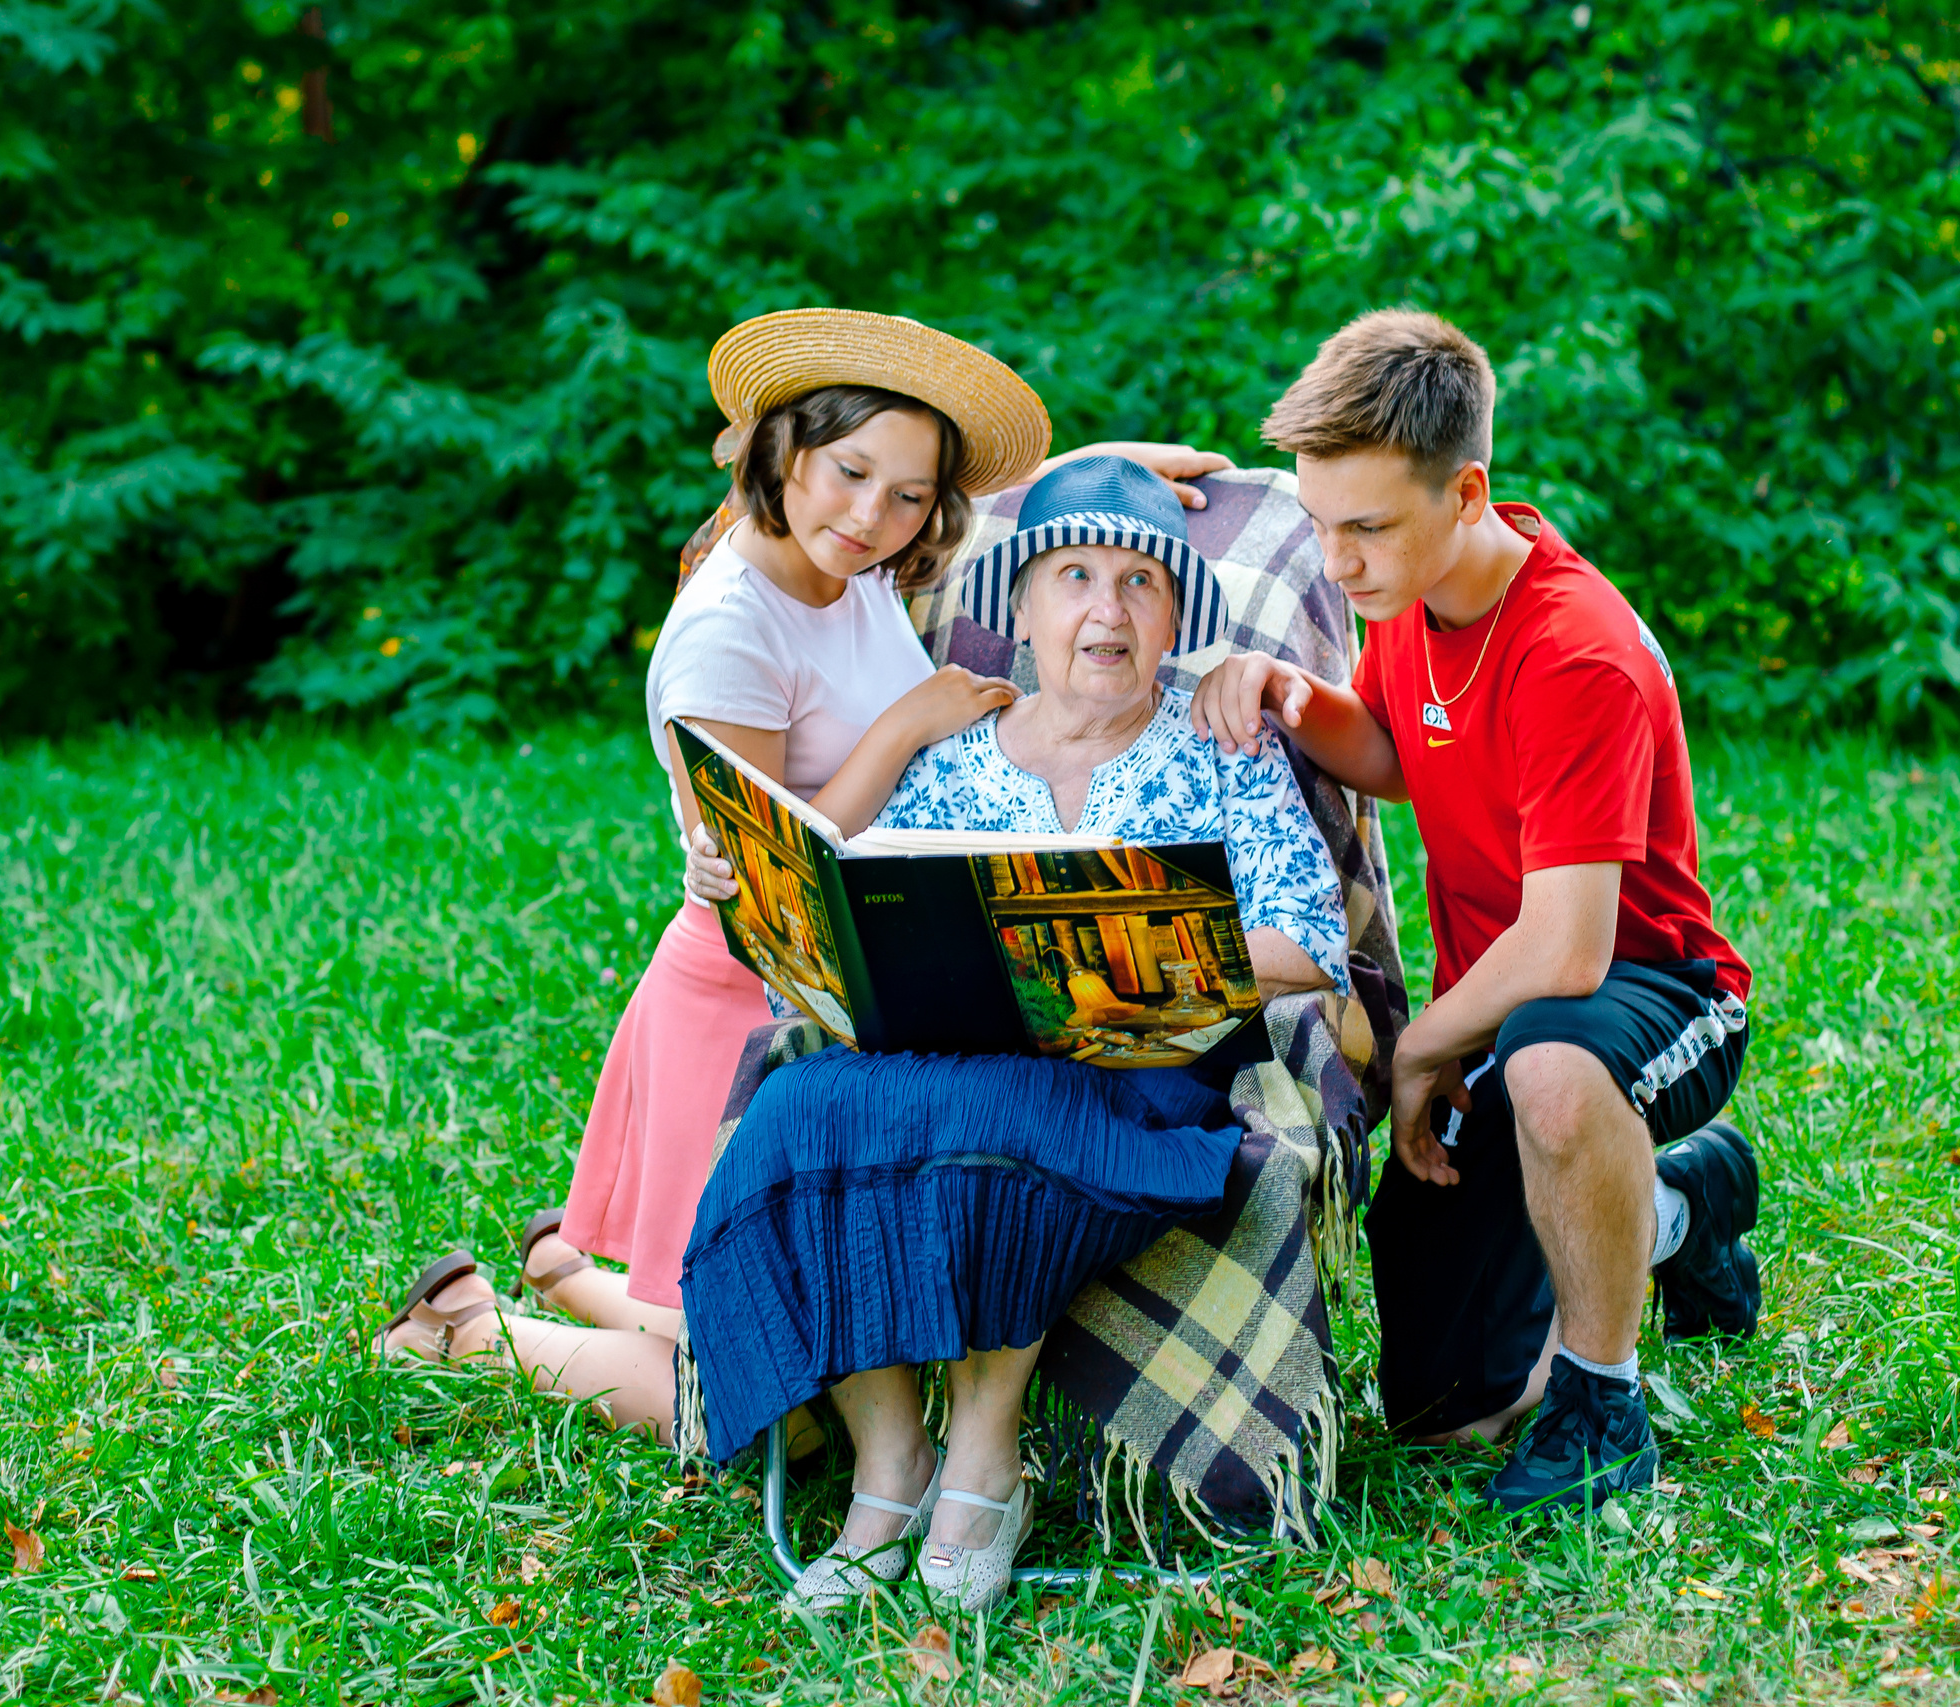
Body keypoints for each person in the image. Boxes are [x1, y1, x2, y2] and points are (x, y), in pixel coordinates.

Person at [370, 311, 1228, 1444]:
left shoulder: (850, 561)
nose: (873, 516)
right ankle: (473, 1328)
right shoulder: (729, 631)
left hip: (850, 990)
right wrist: (909, 728)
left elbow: (951, 508)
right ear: (784, 451)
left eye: (907, 495)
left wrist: (1096, 482)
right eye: (850, 475)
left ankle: (574, 1275)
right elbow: (770, 876)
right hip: (746, 1001)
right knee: (765, 1404)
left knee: (766, 1331)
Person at [678, 455, 1349, 1613]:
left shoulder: (1221, 747)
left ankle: (983, 1464)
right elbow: (853, 919)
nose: (1106, 610)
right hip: (940, 1070)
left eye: (1141, 584)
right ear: (1020, 610)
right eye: (1074, 576)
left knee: (1002, 1113)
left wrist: (1123, 946)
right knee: (794, 1111)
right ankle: (892, 1474)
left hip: (1134, 1087)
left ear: (1173, 617)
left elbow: (1309, 945)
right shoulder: (948, 764)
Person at [1187, 309, 1762, 1515]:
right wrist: (1292, 693)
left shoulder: (1573, 649)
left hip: (1650, 993)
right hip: (1507, 1007)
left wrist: (1423, 1044)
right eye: (1318, 525)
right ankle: (1678, 1208)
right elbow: (1405, 754)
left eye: (1365, 528)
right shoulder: (1415, 596)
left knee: (1553, 1076)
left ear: (1468, 493)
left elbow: (1568, 947)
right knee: (1445, 1408)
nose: (1336, 562)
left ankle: (1604, 1403)